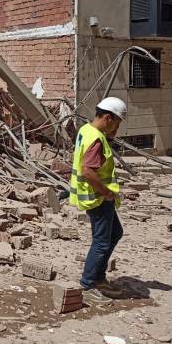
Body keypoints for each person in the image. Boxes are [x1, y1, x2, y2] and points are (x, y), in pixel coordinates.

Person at [70, 97, 127, 305]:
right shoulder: (96, 138)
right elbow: (87, 171)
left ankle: (99, 277)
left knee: (115, 234)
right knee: (102, 241)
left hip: (95, 195)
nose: (117, 128)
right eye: (117, 123)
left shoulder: (87, 130)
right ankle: (88, 284)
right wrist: (107, 192)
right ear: (108, 117)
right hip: (98, 197)